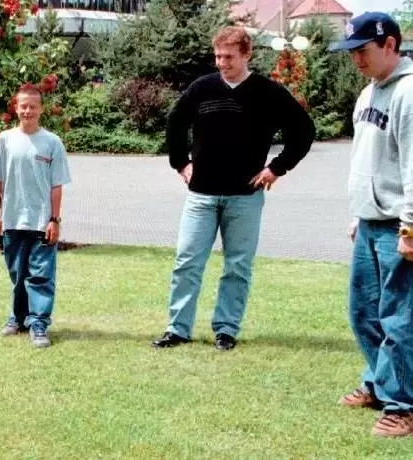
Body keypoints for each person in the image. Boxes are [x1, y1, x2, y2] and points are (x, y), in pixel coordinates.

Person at [153, 26, 315, 351]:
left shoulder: (267, 92)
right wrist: (180, 163)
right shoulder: (202, 89)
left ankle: (226, 329)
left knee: (237, 266)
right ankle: (178, 328)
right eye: (217, 56)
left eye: (228, 57)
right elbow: (175, 123)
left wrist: (276, 168)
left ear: (246, 54)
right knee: (187, 261)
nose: (221, 63)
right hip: (201, 194)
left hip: (245, 197)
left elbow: (303, 130)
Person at [329, 12, 413, 437]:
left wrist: (410, 227)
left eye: (362, 51)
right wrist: (359, 211)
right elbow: (368, 162)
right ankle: (380, 385)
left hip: (399, 224)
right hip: (369, 221)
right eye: (352, 52)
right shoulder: (368, 94)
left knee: (399, 318)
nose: (355, 60)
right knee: (364, 313)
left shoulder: (410, 93)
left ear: (391, 45)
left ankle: (404, 405)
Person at [0, 84, 72, 348]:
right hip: (12, 220)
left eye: (33, 106)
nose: (28, 110)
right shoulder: (5, 140)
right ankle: (18, 318)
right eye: (23, 106)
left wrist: (54, 219)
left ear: (41, 109)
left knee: (41, 275)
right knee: (18, 273)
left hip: (42, 222)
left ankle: (39, 323)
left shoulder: (52, 142)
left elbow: (57, 186)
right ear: (15, 108)